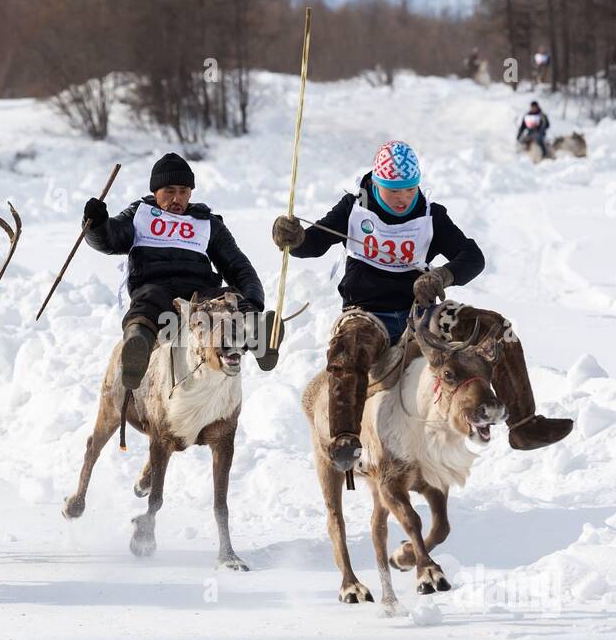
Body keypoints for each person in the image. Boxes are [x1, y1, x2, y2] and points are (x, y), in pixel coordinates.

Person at [271, 140, 573, 472]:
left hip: (421, 311)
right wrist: (294, 239)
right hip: (367, 312)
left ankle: (524, 425)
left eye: (409, 189)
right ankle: (345, 441)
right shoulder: (353, 210)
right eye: (393, 191)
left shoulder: (431, 216)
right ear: (377, 184)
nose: (403, 198)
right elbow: (312, 244)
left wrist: (443, 275)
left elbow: (473, 257)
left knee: (495, 327)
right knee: (348, 347)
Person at [81, 152, 272, 390]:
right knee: (147, 302)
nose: (176, 198)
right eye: (169, 191)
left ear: (190, 192)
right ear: (155, 192)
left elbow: (237, 265)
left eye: (183, 191)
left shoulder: (207, 223)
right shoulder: (140, 216)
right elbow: (109, 239)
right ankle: (137, 347)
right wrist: (96, 223)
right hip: (155, 288)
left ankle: (257, 333)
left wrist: (252, 301)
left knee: (227, 299)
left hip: (199, 295)